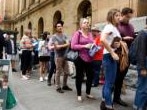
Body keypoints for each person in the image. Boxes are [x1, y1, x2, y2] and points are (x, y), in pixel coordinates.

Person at [100, 9, 121, 110]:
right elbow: (102, 40)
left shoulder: (113, 27)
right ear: (111, 16)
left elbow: (108, 41)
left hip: (109, 55)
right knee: (110, 83)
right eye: (116, 15)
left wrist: (114, 44)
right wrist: (112, 52)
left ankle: (104, 104)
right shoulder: (109, 26)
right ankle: (109, 106)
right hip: (109, 56)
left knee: (107, 82)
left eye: (119, 15)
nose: (119, 17)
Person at [113, 7, 134, 106]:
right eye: (127, 17)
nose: (128, 19)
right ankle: (108, 98)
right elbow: (112, 40)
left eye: (130, 17)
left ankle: (117, 98)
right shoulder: (116, 25)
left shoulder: (131, 26)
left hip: (127, 55)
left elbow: (133, 37)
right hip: (117, 55)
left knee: (121, 78)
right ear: (122, 15)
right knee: (114, 77)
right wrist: (123, 38)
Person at [71, 18, 94, 102]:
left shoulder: (90, 34)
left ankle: (88, 93)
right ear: (81, 25)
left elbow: (92, 43)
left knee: (90, 76)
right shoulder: (77, 34)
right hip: (80, 58)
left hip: (90, 58)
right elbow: (73, 46)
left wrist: (93, 46)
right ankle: (79, 94)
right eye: (85, 22)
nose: (87, 24)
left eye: (88, 22)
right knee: (79, 77)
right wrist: (84, 46)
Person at [52, 21, 72, 93]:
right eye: (58, 26)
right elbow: (57, 47)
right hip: (58, 56)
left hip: (65, 56)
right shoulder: (54, 37)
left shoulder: (65, 35)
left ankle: (64, 85)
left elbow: (68, 43)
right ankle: (58, 86)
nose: (60, 27)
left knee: (66, 72)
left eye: (60, 26)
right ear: (56, 28)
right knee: (58, 71)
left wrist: (64, 45)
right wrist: (65, 45)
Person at [133, 30, 147, 110]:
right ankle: (139, 107)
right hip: (144, 63)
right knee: (143, 88)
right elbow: (140, 52)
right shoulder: (143, 33)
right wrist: (142, 68)